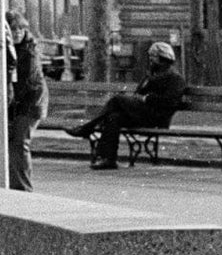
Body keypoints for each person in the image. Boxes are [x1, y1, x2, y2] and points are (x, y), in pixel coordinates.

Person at [62, 40, 187, 168]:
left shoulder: (175, 79)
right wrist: (143, 90)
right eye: (150, 57)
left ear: (163, 59)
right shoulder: (152, 76)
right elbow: (139, 93)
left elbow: (170, 102)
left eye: (154, 57)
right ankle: (108, 159)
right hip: (142, 114)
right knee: (114, 117)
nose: (150, 60)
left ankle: (87, 128)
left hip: (157, 118)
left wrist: (147, 98)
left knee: (117, 99)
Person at [5, 11, 48, 191]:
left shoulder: (28, 52)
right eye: (13, 29)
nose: (17, 33)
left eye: (21, 29)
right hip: (20, 103)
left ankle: (22, 187)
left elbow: (26, 83)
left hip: (31, 103)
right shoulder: (7, 49)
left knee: (19, 143)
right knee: (14, 143)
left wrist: (11, 106)